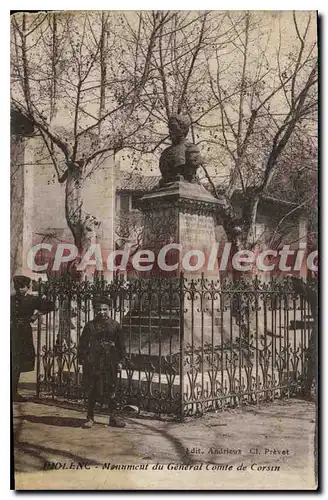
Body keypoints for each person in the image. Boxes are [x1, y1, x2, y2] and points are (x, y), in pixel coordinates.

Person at [77, 297, 126, 428]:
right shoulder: (90, 325)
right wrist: (82, 359)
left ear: (109, 310)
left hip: (110, 360)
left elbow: (121, 345)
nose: (102, 312)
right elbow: (82, 344)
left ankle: (113, 417)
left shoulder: (115, 325)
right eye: (99, 309)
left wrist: (121, 361)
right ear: (94, 310)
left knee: (111, 389)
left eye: (105, 309)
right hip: (93, 360)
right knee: (92, 389)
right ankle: (90, 417)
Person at [11, 275, 55, 402]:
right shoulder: (10, 299)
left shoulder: (33, 300)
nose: (19, 290)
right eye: (17, 287)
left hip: (23, 333)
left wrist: (37, 315)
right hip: (9, 332)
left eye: (22, 287)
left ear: (28, 287)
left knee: (18, 362)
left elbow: (51, 305)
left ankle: (13, 392)